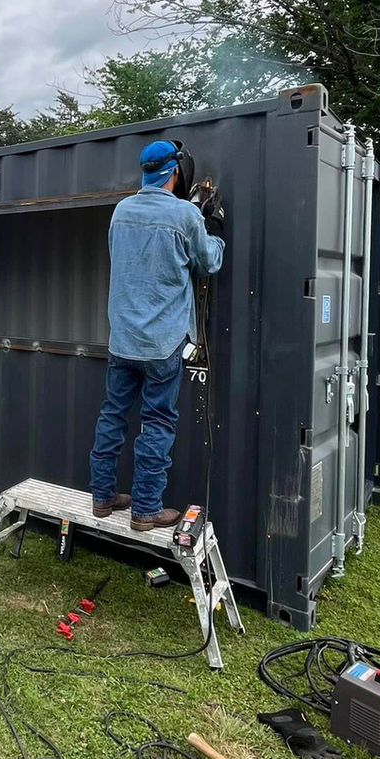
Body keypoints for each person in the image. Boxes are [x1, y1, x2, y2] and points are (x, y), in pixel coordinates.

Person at [89, 139, 224, 529]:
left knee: (112, 415)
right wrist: (212, 227)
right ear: (177, 171)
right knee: (157, 423)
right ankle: (146, 509)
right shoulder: (184, 214)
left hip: (122, 339)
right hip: (162, 343)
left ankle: (102, 497)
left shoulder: (121, 211)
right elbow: (208, 262)